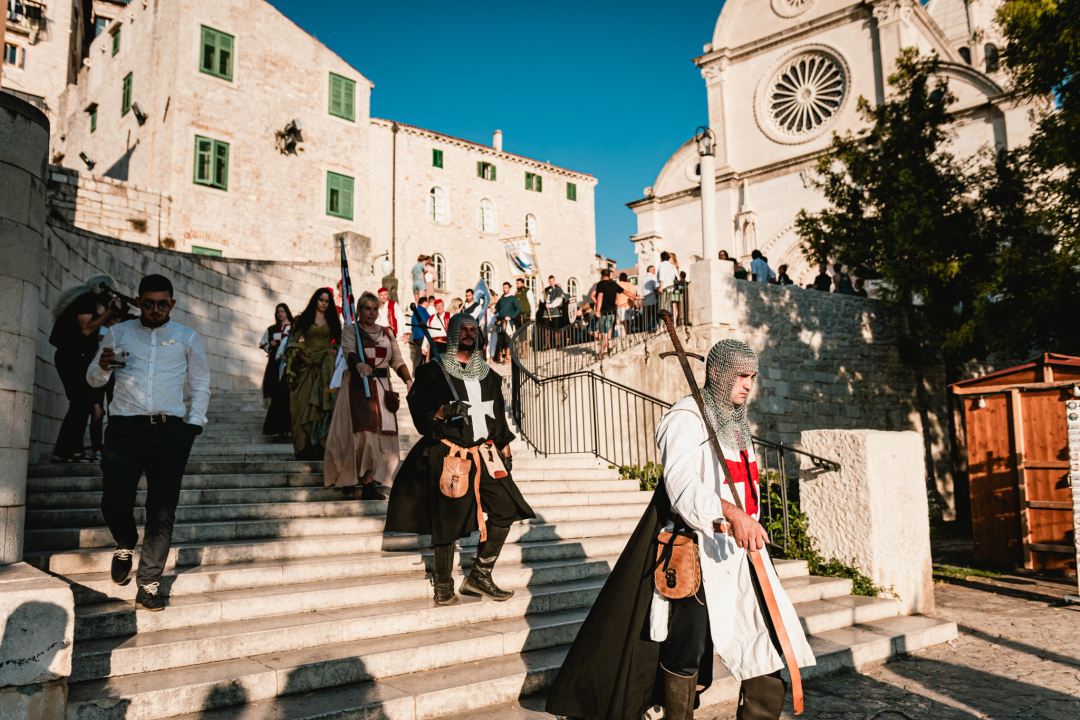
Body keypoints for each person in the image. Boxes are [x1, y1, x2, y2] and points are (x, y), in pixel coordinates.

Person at [546, 339, 815, 720]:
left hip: (743, 556)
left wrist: (746, 519)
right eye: (741, 376)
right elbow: (683, 487)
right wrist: (732, 514)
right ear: (719, 373)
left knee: (767, 644)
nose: (747, 385)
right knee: (687, 650)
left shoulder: (738, 423)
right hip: (696, 553)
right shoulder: (686, 418)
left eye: (752, 377)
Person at [386, 313, 534, 606]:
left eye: (472, 329)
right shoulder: (433, 373)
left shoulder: (489, 376)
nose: (468, 333)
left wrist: (505, 449)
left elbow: (498, 416)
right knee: (447, 518)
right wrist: (443, 410)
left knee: (505, 509)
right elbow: (419, 405)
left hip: (486, 452)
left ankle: (479, 574)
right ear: (453, 334)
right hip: (450, 451)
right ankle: (443, 582)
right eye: (462, 329)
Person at [88, 274, 210, 611]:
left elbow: (200, 384)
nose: (155, 309)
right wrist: (100, 368)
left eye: (162, 303)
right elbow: (93, 378)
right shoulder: (118, 332)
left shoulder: (187, 337)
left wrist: (193, 426)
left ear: (172, 303)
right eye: (148, 303)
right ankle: (125, 540)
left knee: (161, 511)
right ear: (139, 301)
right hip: (125, 430)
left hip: (170, 433)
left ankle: (149, 583)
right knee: (114, 501)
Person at [325, 292, 414, 500]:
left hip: (383, 387)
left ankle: (370, 482)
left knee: (382, 434)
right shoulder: (351, 330)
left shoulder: (386, 332)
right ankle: (351, 478)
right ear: (359, 310)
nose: (372, 313)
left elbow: (397, 360)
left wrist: (408, 380)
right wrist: (358, 364)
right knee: (362, 434)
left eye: (375, 309)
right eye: (367, 308)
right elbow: (348, 351)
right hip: (358, 385)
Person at [50, 275, 127, 463]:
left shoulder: (84, 301)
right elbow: (86, 329)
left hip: (75, 358)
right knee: (81, 403)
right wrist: (109, 312)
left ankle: (62, 452)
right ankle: (73, 451)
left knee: (79, 404)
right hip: (72, 358)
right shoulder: (85, 301)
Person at [285, 288, 341, 460]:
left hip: (326, 367)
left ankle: (321, 447)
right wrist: (301, 357)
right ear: (315, 300)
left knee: (323, 408)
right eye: (321, 300)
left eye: (327, 300)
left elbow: (340, 342)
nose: (324, 303)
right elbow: (293, 342)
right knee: (303, 406)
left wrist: (334, 350)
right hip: (307, 366)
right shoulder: (305, 318)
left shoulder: (332, 319)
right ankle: (304, 448)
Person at [260, 304, 293, 438]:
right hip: (275, 364)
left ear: (287, 312)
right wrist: (270, 345)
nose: (280, 314)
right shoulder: (271, 329)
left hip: (289, 365)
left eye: (283, 311)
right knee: (273, 390)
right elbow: (263, 344)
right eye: (278, 312)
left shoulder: (293, 327)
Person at [592, 269, 623, 361]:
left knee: (605, 331)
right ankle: (607, 346)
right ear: (609, 275)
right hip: (609, 311)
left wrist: (597, 309)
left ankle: (604, 349)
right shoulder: (609, 284)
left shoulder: (606, 284)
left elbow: (600, 297)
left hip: (605, 311)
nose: (612, 276)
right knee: (606, 331)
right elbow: (595, 296)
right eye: (611, 274)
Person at [495, 282, 521, 364]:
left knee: (507, 340)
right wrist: (494, 310)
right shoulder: (501, 298)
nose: (504, 289)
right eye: (503, 287)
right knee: (501, 340)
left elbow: (518, 310)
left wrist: (511, 317)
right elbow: (497, 308)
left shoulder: (513, 298)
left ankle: (508, 357)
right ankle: (502, 357)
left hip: (508, 323)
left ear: (509, 288)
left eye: (506, 287)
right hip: (501, 322)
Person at [409, 296, 431, 372]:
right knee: (426, 356)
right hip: (422, 335)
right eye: (427, 302)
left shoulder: (416, 311)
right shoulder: (423, 310)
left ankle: (415, 373)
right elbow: (428, 323)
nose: (428, 304)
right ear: (425, 302)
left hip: (416, 336)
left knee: (418, 355)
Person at [615, 272, 640, 336]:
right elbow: (635, 294)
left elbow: (616, 294)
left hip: (621, 304)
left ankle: (627, 333)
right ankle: (628, 333)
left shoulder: (619, 284)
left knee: (624, 320)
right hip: (630, 305)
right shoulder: (631, 285)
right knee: (629, 321)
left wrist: (615, 302)